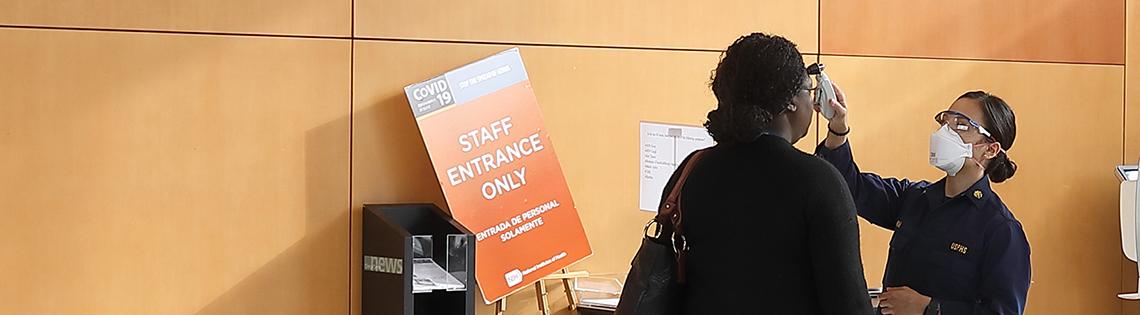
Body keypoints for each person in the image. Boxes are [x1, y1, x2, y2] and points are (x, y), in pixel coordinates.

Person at [660, 32, 871, 314]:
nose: (813, 104)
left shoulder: (691, 170)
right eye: (808, 91)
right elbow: (848, 304)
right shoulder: (819, 181)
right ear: (790, 102)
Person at [814, 88, 1031, 314]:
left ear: (990, 149)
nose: (946, 132)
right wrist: (838, 129)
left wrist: (930, 308)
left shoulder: (1001, 230)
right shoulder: (915, 198)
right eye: (945, 121)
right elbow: (850, 187)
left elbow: (1002, 311)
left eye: (961, 125)